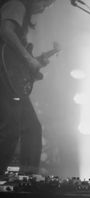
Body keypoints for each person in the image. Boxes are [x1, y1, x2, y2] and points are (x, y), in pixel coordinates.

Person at [0, 0, 55, 176]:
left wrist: (34, 63)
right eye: (45, 4)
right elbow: (5, 31)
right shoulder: (17, 4)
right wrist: (29, 59)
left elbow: (17, 61)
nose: (44, 8)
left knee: (29, 129)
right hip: (4, 79)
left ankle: (28, 178)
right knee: (12, 130)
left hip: (10, 81)